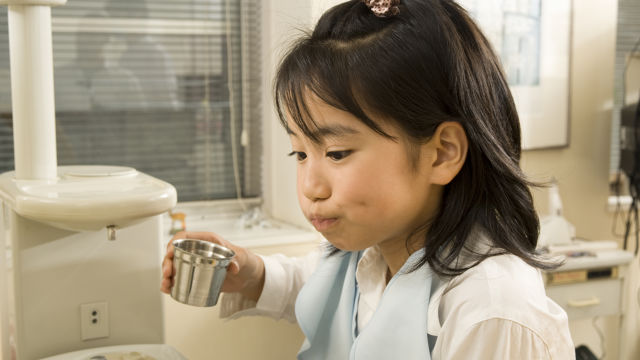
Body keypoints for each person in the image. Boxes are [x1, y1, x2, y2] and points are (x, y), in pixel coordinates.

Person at [161, 0, 574, 358]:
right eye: (301, 154)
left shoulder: (491, 310)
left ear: (442, 153)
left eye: (337, 153)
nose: (310, 186)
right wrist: (250, 272)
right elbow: (315, 287)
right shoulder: (370, 253)